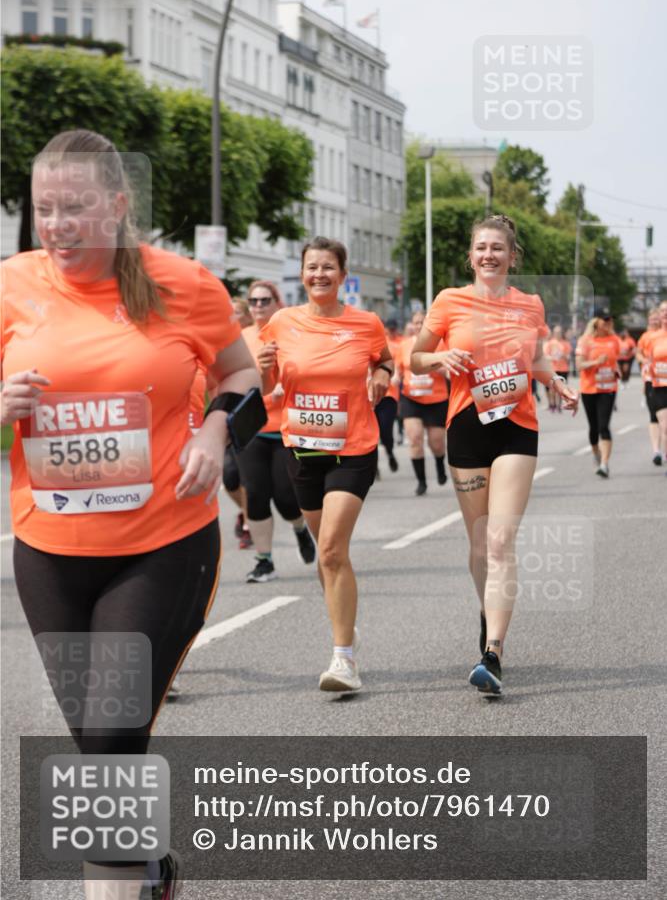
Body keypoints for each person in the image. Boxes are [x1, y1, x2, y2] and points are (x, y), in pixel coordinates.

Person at [0, 130, 260, 898]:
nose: (57, 225)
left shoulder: (186, 285)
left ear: (117, 205)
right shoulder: (10, 285)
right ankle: (152, 870)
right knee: (99, 744)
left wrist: (216, 429)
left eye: (74, 207)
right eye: (45, 209)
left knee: (109, 744)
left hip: (161, 545)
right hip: (46, 551)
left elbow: (242, 375)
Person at [411, 214, 578, 696]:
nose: (489, 255)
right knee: (481, 544)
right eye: (481, 247)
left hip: (517, 430)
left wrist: (557, 382)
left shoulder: (530, 305)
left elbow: (538, 358)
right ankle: (488, 612)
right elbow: (415, 357)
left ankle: (494, 653)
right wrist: (437, 358)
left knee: (502, 540)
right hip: (466, 429)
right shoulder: (448, 301)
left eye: (498, 248)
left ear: (511, 256)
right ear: (471, 255)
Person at [257, 236, 393, 694]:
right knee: (326, 553)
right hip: (303, 449)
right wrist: (261, 369)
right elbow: (267, 383)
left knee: (332, 549)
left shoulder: (366, 323)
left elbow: (386, 362)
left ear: (342, 275)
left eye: (328, 268)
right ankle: (345, 625)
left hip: (353, 448)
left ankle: (344, 661)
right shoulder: (280, 322)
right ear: (301, 275)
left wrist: (380, 376)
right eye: (312, 267)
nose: (319, 275)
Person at [237, 279, 316, 582]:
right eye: (254, 301)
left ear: (277, 303)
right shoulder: (241, 338)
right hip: (252, 428)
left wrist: (287, 385)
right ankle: (264, 560)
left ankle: (300, 529)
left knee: (285, 495)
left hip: (285, 427)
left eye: (265, 300)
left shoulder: (290, 335)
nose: (258, 306)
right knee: (255, 494)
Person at [397, 310, 449, 495]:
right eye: (416, 323)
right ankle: (421, 482)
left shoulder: (440, 345)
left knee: (437, 443)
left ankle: (440, 465)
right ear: (412, 325)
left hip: (437, 399)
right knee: (415, 439)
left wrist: (432, 365)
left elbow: (448, 371)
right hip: (411, 399)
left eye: (422, 322)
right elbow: (399, 372)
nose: (419, 326)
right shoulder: (404, 346)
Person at [576, 310, 621, 478]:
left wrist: (616, 371)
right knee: (593, 428)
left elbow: (615, 361)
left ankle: (604, 463)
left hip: (608, 389)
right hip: (589, 388)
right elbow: (579, 365)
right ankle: (596, 454)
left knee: (604, 426)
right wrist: (596, 362)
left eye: (611, 320)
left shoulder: (614, 340)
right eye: (606, 320)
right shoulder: (585, 341)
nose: (609, 323)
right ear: (596, 322)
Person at [374, 317, 402, 473]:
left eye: (393, 329)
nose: (390, 331)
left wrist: (396, 374)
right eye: (388, 328)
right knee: (372, 432)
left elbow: (396, 364)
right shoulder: (374, 342)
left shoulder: (399, 343)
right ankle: (374, 463)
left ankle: (390, 452)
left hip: (388, 394)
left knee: (386, 431)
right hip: (369, 396)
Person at [642, 300, 667, 470]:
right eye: (663, 310)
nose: (665, 314)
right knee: (664, 424)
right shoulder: (652, 337)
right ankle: (661, 454)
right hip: (658, 385)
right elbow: (646, 359)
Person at [637, 309, 662, 465]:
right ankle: (656, 450)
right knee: (654, 415)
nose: (653, 322)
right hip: (650, 379)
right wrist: (645, 360)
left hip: (664, 379)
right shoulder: (645, 337)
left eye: (656, 319)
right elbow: (638, 353)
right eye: (651, 319)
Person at [544, 325, 572, 411]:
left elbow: (569, 357)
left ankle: (559, 405)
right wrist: (552, 357)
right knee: (552, 388)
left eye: (559, 332)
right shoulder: (550, 343)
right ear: (553, 333)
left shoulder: (566, 343)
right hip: (552, 369)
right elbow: (545, 356)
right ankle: (553, 404)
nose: (558, 334)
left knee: (561, 389)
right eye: (556, 332)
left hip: (563, 369)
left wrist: (563, 355)